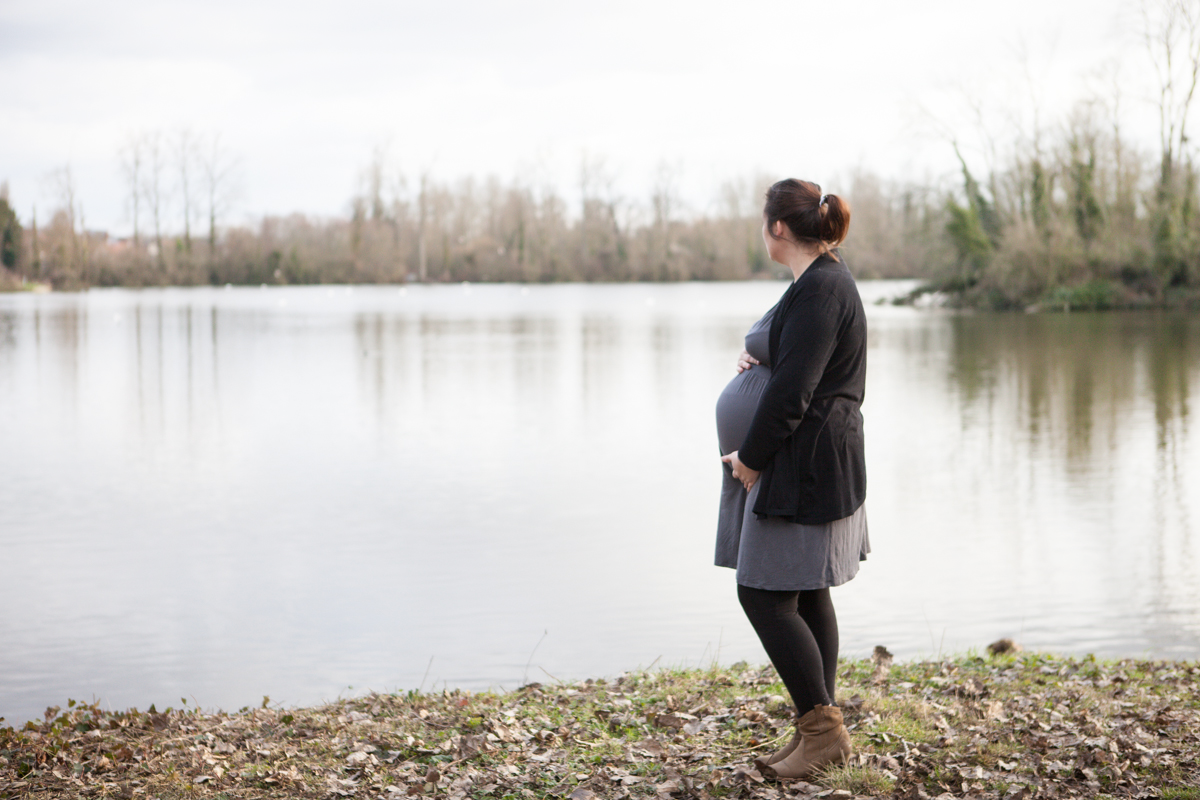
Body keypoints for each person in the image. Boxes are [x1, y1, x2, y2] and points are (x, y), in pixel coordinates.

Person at [715, 178, 868, 780]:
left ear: (779, 228)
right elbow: (799, 363)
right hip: (813, 455)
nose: (762, 230)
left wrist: (749, 459)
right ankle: (818, 723)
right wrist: (766, 353)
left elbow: (794, 394)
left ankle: (822, 731)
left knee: (765, 593)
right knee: (806, 591)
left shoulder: (822, 289)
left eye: (763, 221)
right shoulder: (818, 282)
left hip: (807, 462)